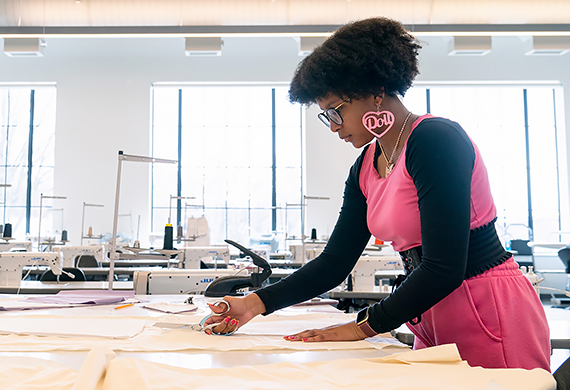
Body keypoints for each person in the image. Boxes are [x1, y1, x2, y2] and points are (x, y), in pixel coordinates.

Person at [204, 17, 551, 371]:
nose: (334, 126)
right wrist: (255, 303)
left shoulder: (434, 140)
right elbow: (334, 264)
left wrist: (363, 326)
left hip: (485, 309)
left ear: (375, 90)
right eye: (326, 117)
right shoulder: (366, 165)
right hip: (427, 314)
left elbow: (445, 268)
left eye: (336, 112)